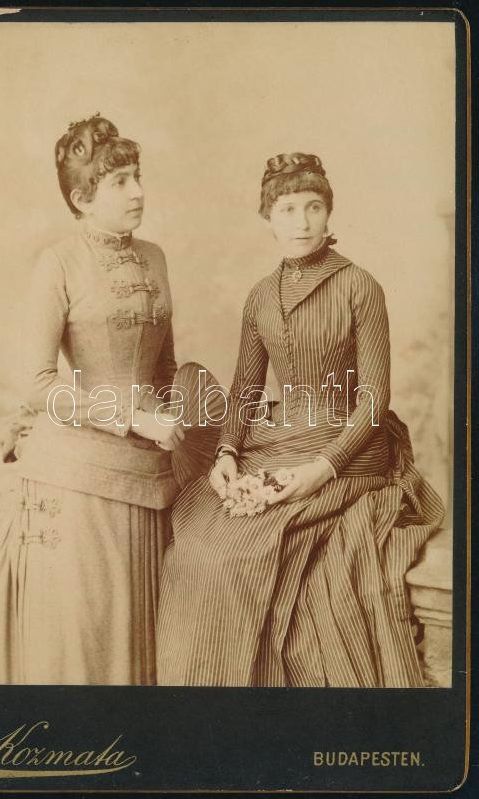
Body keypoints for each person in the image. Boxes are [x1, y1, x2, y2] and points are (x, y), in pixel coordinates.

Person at [156, 152, 444, 688]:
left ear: (329, 212)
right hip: (278, 438)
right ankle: (205, 705)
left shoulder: (360, 286)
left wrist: (322, 469)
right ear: (268, 217)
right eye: (287, 209)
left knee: (253, 551)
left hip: (350, 445)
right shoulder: (261, 297)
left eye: (313, 207)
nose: (302, 222)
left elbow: (374, 399)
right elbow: (245, 390)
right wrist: (226, 452)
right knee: (196, 548)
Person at [0, 113, 184, 685]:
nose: (137, 191)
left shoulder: (155, 257)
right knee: (87, 648)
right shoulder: (58, 263)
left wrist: (181, 415)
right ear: (82, 200)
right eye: (119, 182)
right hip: (79, 477)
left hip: (153, 475)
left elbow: (165, 368)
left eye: (137, 177)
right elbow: (37, 383)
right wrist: (132, 418)